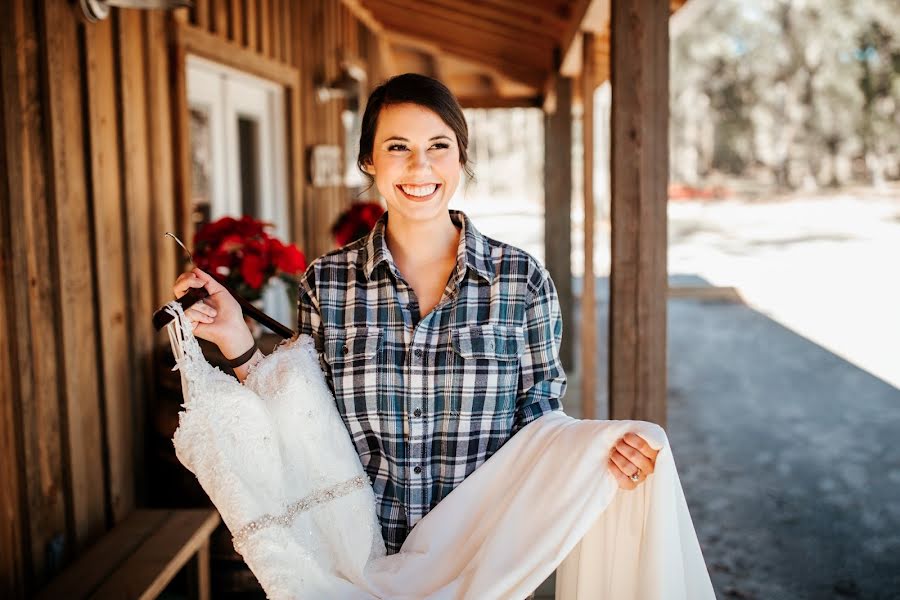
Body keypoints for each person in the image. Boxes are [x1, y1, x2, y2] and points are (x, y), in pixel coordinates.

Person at [171, 73, 658, 557]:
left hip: (482, 564)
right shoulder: (327, 283)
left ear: (461, 157)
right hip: (359, 566)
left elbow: (540, 428)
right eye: (398, 147)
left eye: (439, 146)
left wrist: (602, 452)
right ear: (369, 160)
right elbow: (303, 427)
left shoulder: (522, 281)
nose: (420, 166)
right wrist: (235, 334)